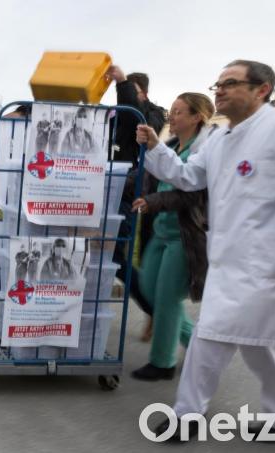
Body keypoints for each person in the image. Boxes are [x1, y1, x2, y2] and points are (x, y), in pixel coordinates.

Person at [136, 60, 275, 440]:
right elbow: (187, 177)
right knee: (258, 345)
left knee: (220, 338)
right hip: (226, 259)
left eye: (230, 83)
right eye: (217, 84)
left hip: (269, 265)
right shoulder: (218, 140)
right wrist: (155, 147)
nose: (219, 90)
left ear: (261, 89)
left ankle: (187, 416)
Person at [129, 93, 216, 382]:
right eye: (172, 111)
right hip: (161, 230)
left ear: (196, 117)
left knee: (167, 298)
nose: (172, 116)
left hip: (184, 235)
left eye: (179, 112)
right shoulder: (171, 145)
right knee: (148, 287)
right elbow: (148, 175)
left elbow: (191, 193)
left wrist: (153, 201)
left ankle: (162, 362)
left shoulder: (204, 151)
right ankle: (198, 349)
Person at [104, 66, 167, 340]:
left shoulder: (153, 114)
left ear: (144, 93)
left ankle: (158, 310)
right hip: (104, 189)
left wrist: (122, 82)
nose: (125, 94)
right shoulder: (116, 113)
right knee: (104, 255)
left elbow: (137, 124)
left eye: (132, 90)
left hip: (127, 193)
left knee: (116, 257)